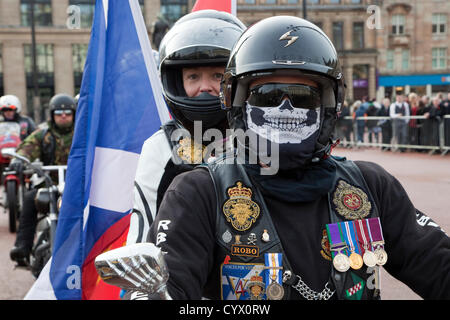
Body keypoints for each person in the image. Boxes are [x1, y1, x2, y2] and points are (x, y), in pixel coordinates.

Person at [141, 16, 450, 300]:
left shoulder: (371, 186)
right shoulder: (198, 194)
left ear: (328, 106)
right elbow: (168, 284)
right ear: (239, 103)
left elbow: (436, 263)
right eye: (269, 96)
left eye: (303, 97)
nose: (286, 109)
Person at [126, 10, 246, 246]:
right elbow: (141, 240)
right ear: (176, 82)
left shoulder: (260, 138)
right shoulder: (160, 147)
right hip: (180, 275)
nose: (205, 87)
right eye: (193, 76)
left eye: (216, 75)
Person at [9, 93, 76, 265]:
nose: (63, 116)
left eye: (68, 113)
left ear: (74, 114)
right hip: (51, 184)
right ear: (52, 115)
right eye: (59, 113)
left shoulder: (82, 133)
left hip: (78, 186)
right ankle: (22, 247)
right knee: (31, 198)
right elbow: (27, 147)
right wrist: (18, 159)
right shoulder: (43, 134)